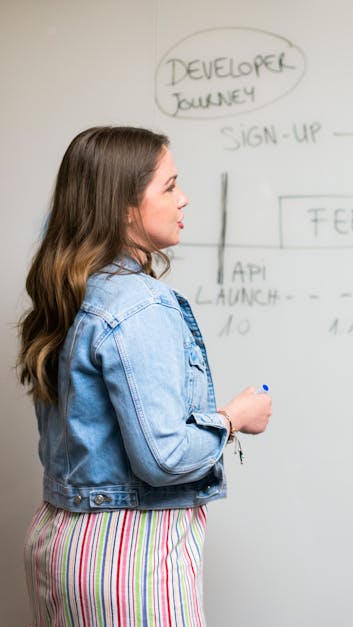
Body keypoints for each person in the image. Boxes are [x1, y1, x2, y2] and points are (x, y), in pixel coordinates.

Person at [17, 126, 272, 625]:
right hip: (128, 556)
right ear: (125, 207)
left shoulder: (71, 290)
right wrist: (234, 418)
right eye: (170, 186)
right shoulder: (140, 303)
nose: (184, 199)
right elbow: (164, 456)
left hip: (58, 542)